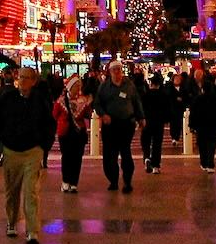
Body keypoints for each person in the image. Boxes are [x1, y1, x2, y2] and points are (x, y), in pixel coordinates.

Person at [0, 67, 55, 244]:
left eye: (27, 78)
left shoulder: (40, 101)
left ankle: (32, 230)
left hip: (32, 151)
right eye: (20, 77)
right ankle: (12, 221)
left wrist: (44, 146)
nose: (23, 81)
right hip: (11, 150)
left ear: (33, 81)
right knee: (12, 191)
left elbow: (49, 124)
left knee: (31, 191)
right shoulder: (7, 99)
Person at [95, 60, 145, 192]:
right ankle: (113, 180)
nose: (117, 72)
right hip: (110, 125)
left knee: (126, 153)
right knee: (110, 155)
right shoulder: (104, 87)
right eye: (114, 70)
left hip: (126, 124)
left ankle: (127, 182)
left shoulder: (129, 85)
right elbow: (97, 104)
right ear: (110, 72)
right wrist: (103, 115)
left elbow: (136, 101)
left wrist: (141, 117)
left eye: (119, 69)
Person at [53, 75, 93, 190]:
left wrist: (89, 105)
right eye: (76, 86)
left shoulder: (82, 100)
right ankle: (66, 181)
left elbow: (88, 115)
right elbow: (54, 115)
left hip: (78, 133)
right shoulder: (61, 101)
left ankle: (74, 182)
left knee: (77, 157)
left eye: (79, 85)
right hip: (65, 133)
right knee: (67, 156)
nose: (78, 88)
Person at [188, 67, 216, 173]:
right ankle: (210, 163)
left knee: (202, 145)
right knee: (212, 145)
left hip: (201, 126)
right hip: (213, 125)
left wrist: (191, 125)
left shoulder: (198, 99)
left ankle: (204, 162)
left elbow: (193, 113)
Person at [140, 74, 170, 174]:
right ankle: (156, 166)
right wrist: (166, 119)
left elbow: (141, 108)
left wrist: (140, 119)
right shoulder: (164, 95)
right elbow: (167, 109)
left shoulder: (145, 95)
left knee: (146, 141)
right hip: (159, 122)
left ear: (151, 84)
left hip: (147, 121)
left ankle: (147, 157)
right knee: (157, 143)